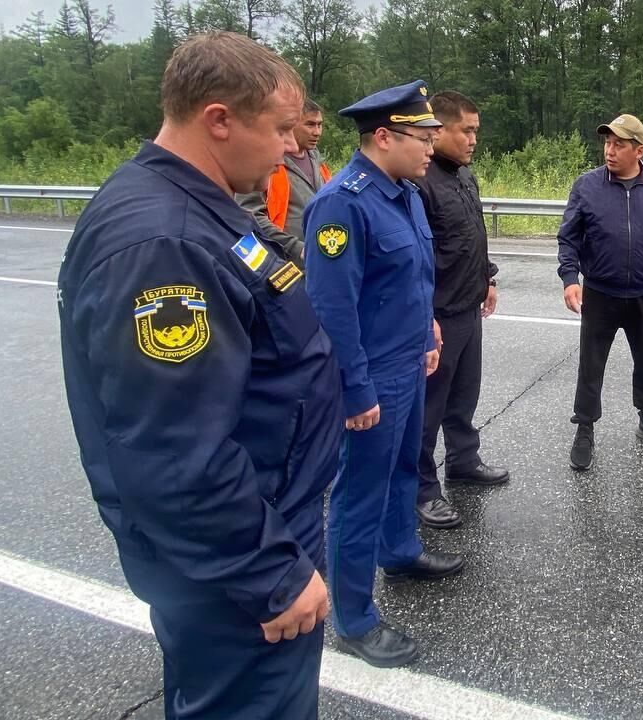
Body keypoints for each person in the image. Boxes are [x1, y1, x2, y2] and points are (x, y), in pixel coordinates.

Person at [57, 32, 340, 719]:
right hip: (237, 571)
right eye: (277, 130)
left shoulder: (204, 209)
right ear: (219, 119)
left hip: (262, 527)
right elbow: (174, 449)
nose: (291, 149)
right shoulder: (165, 244)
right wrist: (271, 572)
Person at [303, 79, 464, 669]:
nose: (431, 145)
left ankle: (399, 551)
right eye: (422, 136)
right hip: (370, 376)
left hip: (408, 363)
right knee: (359, 493)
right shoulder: (342, 203)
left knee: (402, 468)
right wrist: (354, 387)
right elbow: (331, 309)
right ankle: (353, 617)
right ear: (383, 136)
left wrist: (427, 333)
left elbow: (413, 279)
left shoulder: (406, 194)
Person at [556, 113, 643, 471]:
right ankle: (584, 428)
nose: (609, 150)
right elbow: (568, 238)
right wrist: (570, 278)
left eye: (619, 144)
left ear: (639, 150)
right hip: (600, 294)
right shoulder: (586, 186)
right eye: (607, 142)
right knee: (591, 365)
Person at [412, 91, 509, 531]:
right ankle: (422, 489)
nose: (473, 140)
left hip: (468, 307)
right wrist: (423, 315)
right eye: (466, 131)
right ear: (439, 130)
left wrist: (488, 277)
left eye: (476, 131)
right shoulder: (421, 180)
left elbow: (471, 233)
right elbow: (416, 254)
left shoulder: (465, 176)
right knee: (428, 408)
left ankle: (463, 462)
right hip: (438, 314)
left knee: (463, 397)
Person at [237, 97, 331, 265]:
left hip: (320, 261)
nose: (317, 132)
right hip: (282, 264)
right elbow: (250, 215)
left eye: (319, 124)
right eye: (310, 124)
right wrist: (297, 248)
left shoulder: (317, 159)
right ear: (291, 124)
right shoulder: (266, 160)